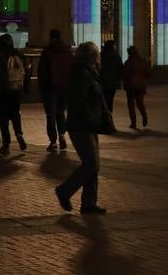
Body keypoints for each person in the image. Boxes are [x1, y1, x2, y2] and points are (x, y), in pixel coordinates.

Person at [55, 42, 107, 215]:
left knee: (94, 165)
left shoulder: (89, 72)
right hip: (81, 125)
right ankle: (65, 191)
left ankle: (89, 203)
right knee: (91, 164)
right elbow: (80, 101)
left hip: (89, 124)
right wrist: (92, 118)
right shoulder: (82, 74)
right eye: (97, 53)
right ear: (91, 56)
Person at [38, 29, 72, 152]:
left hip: (50, 89)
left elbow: (41, 72)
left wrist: (42, 88)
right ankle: (62, 136)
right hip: (64, 88)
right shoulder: (68, 52)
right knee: (60, 113)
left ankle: (53, 141)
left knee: (50, 115)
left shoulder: (47, 52)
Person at [0, 33, 28, 153]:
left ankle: (6, 143)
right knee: (15, 113)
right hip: (17, 88)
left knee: (3, 117)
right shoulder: (18, 54)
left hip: (4, 90)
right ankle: (19, 133)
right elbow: (26, 72)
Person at [123, 45, 152, 129]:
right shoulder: (142, 61)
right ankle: (144, 116)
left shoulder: (128, 62)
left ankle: (133, 122)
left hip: (130, 86)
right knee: (140, 103)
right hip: (140, 86)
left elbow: (124, 74)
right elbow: (148, 73)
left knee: (131, 104)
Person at [99, 40, 123, 113]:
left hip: (102, 81)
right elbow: (120, 68)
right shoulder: (116, 56)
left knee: (103, 99)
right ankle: (109, 113)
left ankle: (104, 113)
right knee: (110, 99)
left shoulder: (101, 55)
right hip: (113, 82)